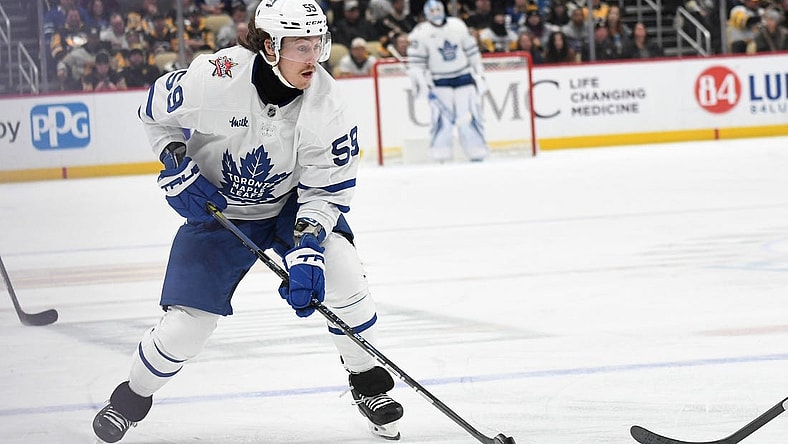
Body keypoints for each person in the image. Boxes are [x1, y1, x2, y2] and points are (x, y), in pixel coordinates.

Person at [91, 1, 404, 442]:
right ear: (270, 47)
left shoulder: (328, 106)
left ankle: (367, 381)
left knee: (345, 278)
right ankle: (131, 398)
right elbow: (154, 113)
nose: (313, 58)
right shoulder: (214, 78)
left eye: (317, 44)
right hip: (217, 211)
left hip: (289, 207)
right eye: (300, 47)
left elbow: (324, 191)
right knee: (185, 329)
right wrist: (175, 160)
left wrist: (310, 246)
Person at [408, 0, 488, 163]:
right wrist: (422, 84)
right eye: (432, 10)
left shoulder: (457, 25)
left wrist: (479, 73)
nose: (436, 12)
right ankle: (441, 155)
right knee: (441, 122)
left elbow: (472, 51)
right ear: (426, 13)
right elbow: (416, 65)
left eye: (438, 8)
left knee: (469, 118)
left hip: (464, 78)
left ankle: (477, 152)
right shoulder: (420, 33)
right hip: (439, 82)